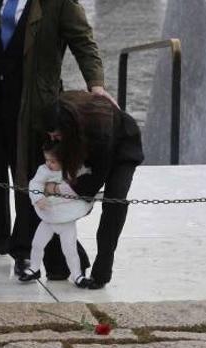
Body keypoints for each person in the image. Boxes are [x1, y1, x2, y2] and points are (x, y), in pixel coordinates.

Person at [0, 0, 115, 280]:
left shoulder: (60, 3)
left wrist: (96, 85)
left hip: (33, 102)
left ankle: (23, 249)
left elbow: (83, 41)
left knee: (27, 173)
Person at [42, 90, 144, 289]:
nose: (53, 137)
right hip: (87, 145)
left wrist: (79, 194)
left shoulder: (99, 124)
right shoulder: (57, 114)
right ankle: (67, 263)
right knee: (60, 202)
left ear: (68, 128)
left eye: (56, 134)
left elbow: (99, 173)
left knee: (115, 202)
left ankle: (102, 271)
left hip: (123, 146)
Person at [19, 139, 92, 287]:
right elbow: (35, 184)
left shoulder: (73, 170)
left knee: (69, 249)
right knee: (37, 244)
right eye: (46, 160)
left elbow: (84, 179)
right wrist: (38, 198)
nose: (48, 163)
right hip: (48, 217)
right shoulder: (44, 170)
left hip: (66, 219)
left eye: (53, 161)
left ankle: (77, 275)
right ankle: (34, 268)